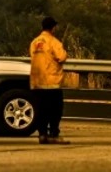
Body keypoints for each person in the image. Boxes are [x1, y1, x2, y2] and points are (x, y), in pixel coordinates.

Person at [29, 16, 69, 144]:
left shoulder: (34, 42)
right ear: (53, 28)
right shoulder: (54, 42)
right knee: (55, 110)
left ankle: (42, 134)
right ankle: (53, 134)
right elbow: (61, 57)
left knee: (41, 110)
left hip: (37, 82)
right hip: (52, 82)